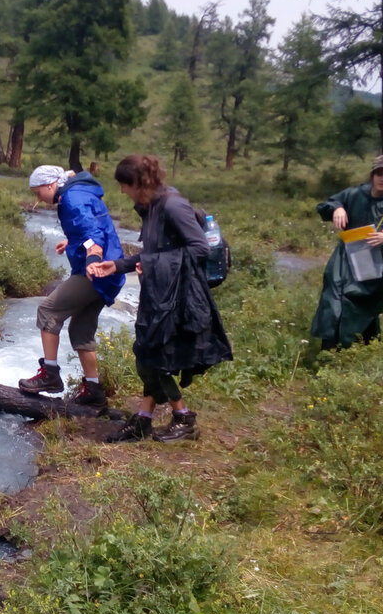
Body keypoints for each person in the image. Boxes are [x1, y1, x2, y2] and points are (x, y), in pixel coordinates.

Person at [87, 154, 232, 442]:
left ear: (139, 183)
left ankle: (183, 417)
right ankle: (144, 419)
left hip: (180, 293)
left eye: (124, 185)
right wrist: (118, 265)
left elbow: (199, 248)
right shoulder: (150, 206)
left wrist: (153, 264)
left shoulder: (173, 205)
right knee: (149, 351)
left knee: (151, 355)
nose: (122, 191)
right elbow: (156, 251)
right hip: (161, 289)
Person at [17, 165, 126, 413]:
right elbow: (89, 228)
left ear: (50, 186)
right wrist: (72, 242)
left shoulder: (72, 198)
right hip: (110, 273)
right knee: (80, 330)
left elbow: (93, 233)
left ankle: (50, 374)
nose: (38, 199)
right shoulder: (78, 193)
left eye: (38, 193)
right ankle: (94, 391)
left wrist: (92, 259)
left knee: (48, 311)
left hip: (98, 272)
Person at [311, 154, 383, 350]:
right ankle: (327, 356)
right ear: (372, 174)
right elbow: (324, 206)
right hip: (344, 261)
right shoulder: (353, 195)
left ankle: (367, 352)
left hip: (373, 271)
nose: (382, 178)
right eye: (378, 173)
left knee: (362, 308)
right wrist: (337, 208)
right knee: (334, 302)